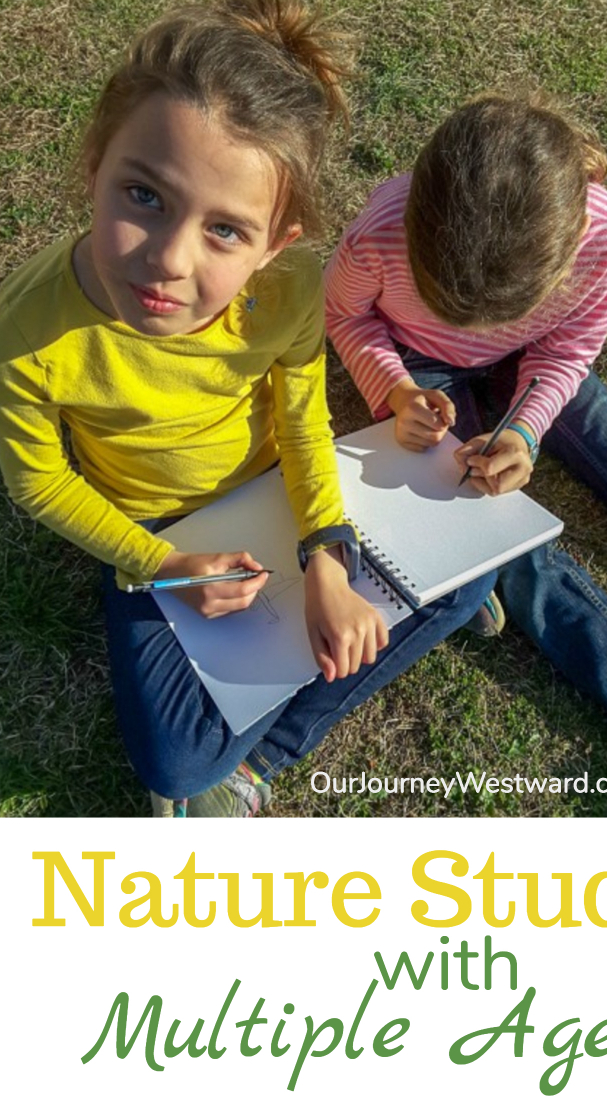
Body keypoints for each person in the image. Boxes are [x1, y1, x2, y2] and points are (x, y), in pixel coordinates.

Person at [0, 0, 493, 818]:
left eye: (225, 231)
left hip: (282, 495)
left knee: (466, 587)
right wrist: (163, 568)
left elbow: (302, 420)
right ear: (92, 163)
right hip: (157, 532)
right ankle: (243, 755)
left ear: (274, 244)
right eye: (142, 196)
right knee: (177, 762)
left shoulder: (289, 288)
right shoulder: (25, 329)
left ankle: (260, 754)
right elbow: (40, 484)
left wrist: (327, 557)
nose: (167, 260)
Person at [325, 91, 607, 817]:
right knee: (508, 552)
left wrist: (524, 427)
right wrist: (390, 388)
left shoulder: (603, 236)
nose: (479, 333)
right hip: (418, 368)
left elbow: (567, 348)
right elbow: (345, 313)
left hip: (541, 367)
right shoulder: (381, 230)